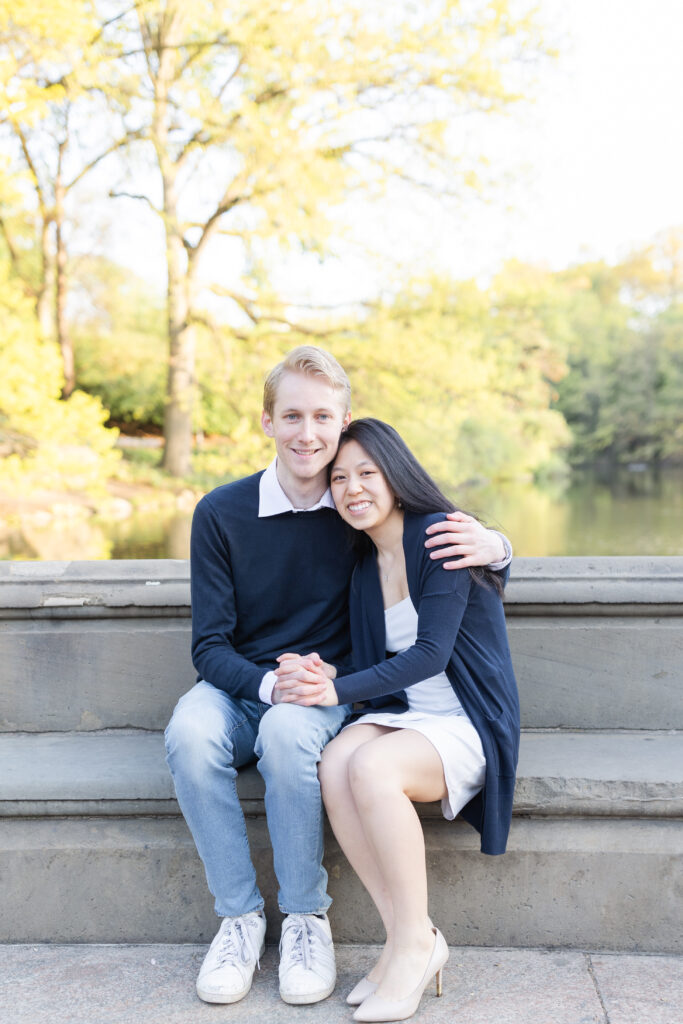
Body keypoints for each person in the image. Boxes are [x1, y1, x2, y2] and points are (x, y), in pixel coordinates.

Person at [164, 348, 512, 1008]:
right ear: (266, 421)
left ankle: (305, 919)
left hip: (329, 690)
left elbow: (437, 544)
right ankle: (238, 919)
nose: (307, 433)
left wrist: (499, 546)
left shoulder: (353, 509)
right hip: (245, 684)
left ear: (343, 419)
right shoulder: (221, 512)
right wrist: (269, 684)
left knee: (297, 738)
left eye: (322, 416)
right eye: (291, 415)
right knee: (188, 733)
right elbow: (207, 645)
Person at [275, 417, 519, 1023]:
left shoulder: (438, 536)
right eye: (340, 478)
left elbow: (430, 655)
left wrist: (331, 691)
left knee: (376, 768)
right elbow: (369, 660)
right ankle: (408, 938)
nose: (353, 488)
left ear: (396, 476)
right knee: (335, 763)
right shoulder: (364, 566)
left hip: (467, 721)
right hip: (411, 715)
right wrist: (314, 673)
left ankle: (414, 945)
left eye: (367, 473)